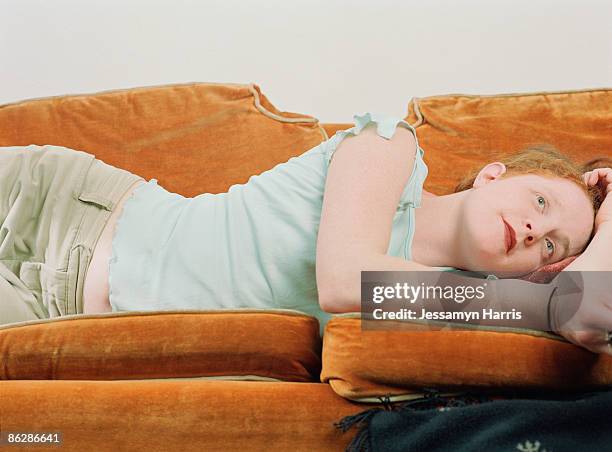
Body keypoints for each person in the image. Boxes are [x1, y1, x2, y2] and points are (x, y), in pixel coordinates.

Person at [1, 113, 611, 354]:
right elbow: (345, 281)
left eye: (551, 245)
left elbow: (589, 318)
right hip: (59, 211)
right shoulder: (391, 144)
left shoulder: (455, 307)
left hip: (49, 316)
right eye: (540, 200)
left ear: (535, 269)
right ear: (492, 174)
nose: (535, 229)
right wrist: (545, 301)